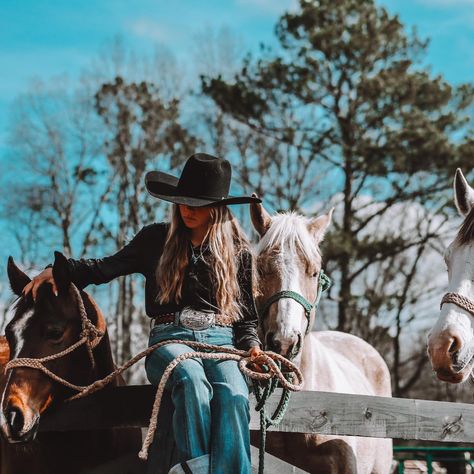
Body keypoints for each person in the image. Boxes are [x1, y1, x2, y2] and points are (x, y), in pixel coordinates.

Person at [23, 153, 263, 474]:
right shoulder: (154, 239)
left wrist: (252, 346)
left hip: (222, 343)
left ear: (217, 209)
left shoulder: (238, 251)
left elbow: (246, 316)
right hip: (170, 340)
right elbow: (105, 267)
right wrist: (62, 270)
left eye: (199, 203)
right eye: (183, 201)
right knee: (190, 380)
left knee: (234, 393)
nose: (188, 209)